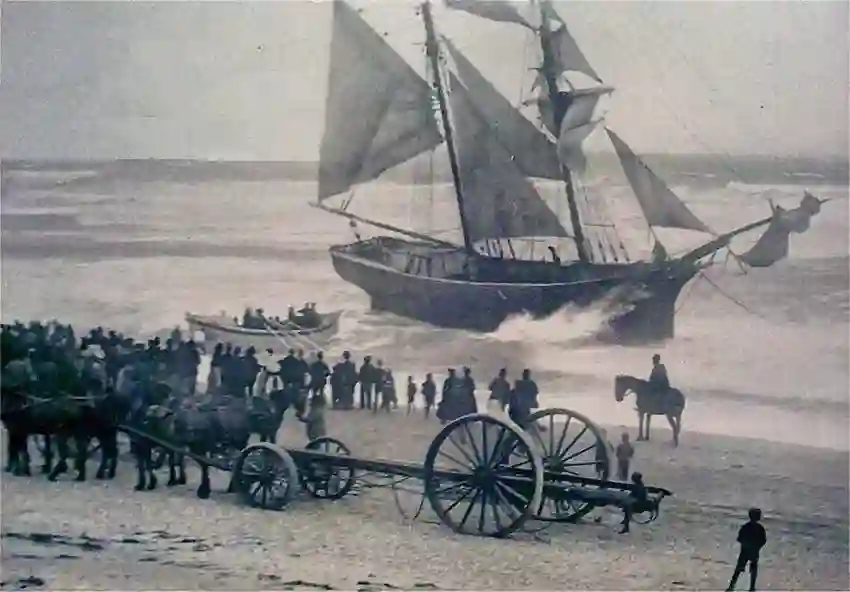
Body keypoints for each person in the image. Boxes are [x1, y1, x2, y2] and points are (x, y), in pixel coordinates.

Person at [726, 508, 767, 592]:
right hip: (753, 552)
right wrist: (756, 546)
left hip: (745, 551)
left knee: (739, 570)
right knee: (753, 570)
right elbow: (763, 540)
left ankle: (732, 586)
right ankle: (751, 587)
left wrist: (746, 545)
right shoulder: (760, 528)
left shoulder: (746, 527)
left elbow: (740, 538)